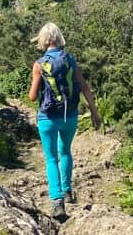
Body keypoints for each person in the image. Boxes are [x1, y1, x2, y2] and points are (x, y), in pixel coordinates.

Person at [28, 22, 102, 220]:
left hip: (48, 118)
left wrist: (37, 82)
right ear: (59, 37)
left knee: (51, 158)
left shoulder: (39, 64)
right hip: (70, 116)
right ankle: (68, 191)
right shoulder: (70, 59)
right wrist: (94, 113)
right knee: (66, 151)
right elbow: (84, 87)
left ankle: (57, 202)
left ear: (43, 40)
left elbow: (32, 97)